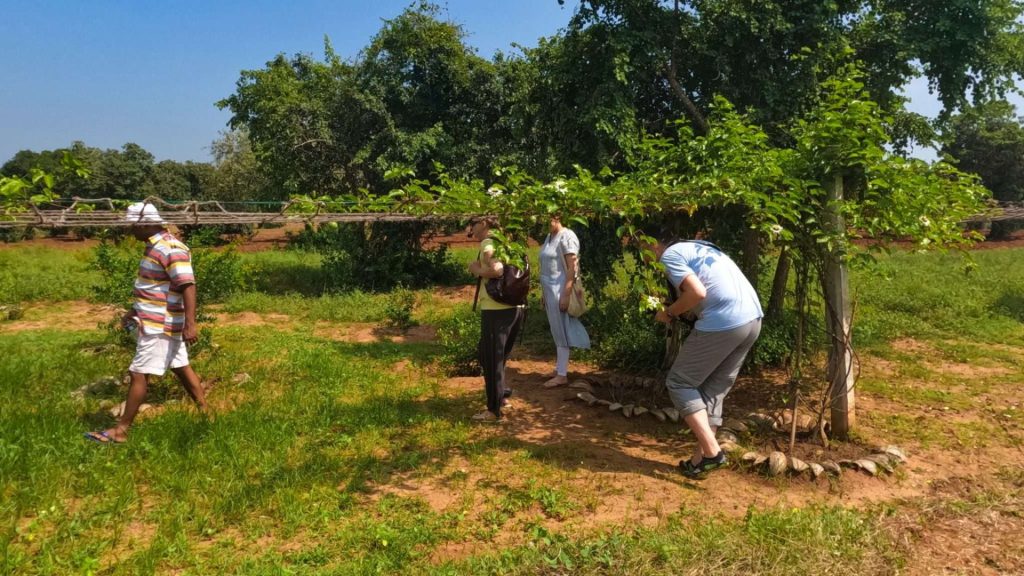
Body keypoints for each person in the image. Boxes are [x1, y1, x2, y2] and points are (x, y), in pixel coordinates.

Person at [85, 203, 207, 443]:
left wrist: (190, 323)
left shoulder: (170, 247)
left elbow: (187, 285)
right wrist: (134, 310)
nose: (131, 231)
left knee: (138, 373)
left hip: (160, 324)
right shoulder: (154, 247)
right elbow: (154, 286)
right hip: (155, 320)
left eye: (133, 226)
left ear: (146, 223)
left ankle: (121, 431)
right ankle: (207, 413)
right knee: (181, 367)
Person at [649, 231, 762, 478]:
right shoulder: (701, 248)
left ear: (652, 243)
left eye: (642, 248)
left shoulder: (670, 255)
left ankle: (712, 452)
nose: (644, 256)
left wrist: (669, 313)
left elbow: (697, 293)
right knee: (711, 390)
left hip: (725, 321)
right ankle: (699, 463)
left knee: (679, 382)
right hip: (752, 318)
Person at [467, 216, 524, 422]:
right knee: (496, 357)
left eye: (473, 223)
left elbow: (497, 269)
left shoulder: (488, 243)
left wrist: (477, 271)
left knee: (490, 359)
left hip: (496, 310)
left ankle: (493, 411)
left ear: (484, 224)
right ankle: (502, 399)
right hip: (515, 308)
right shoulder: (509, 242)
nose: (470, 228)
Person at [539, 216, 590, 388]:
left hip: (559, 289)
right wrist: (543, 293)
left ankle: (562, 375)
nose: (543, 222)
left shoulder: (567, 236)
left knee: (561, 330)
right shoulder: (549, 237)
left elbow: (572, 267)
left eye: (547, 218)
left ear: (558, 217)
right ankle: (560, 368)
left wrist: (566, 294)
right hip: (549, 290)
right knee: (556, 329)